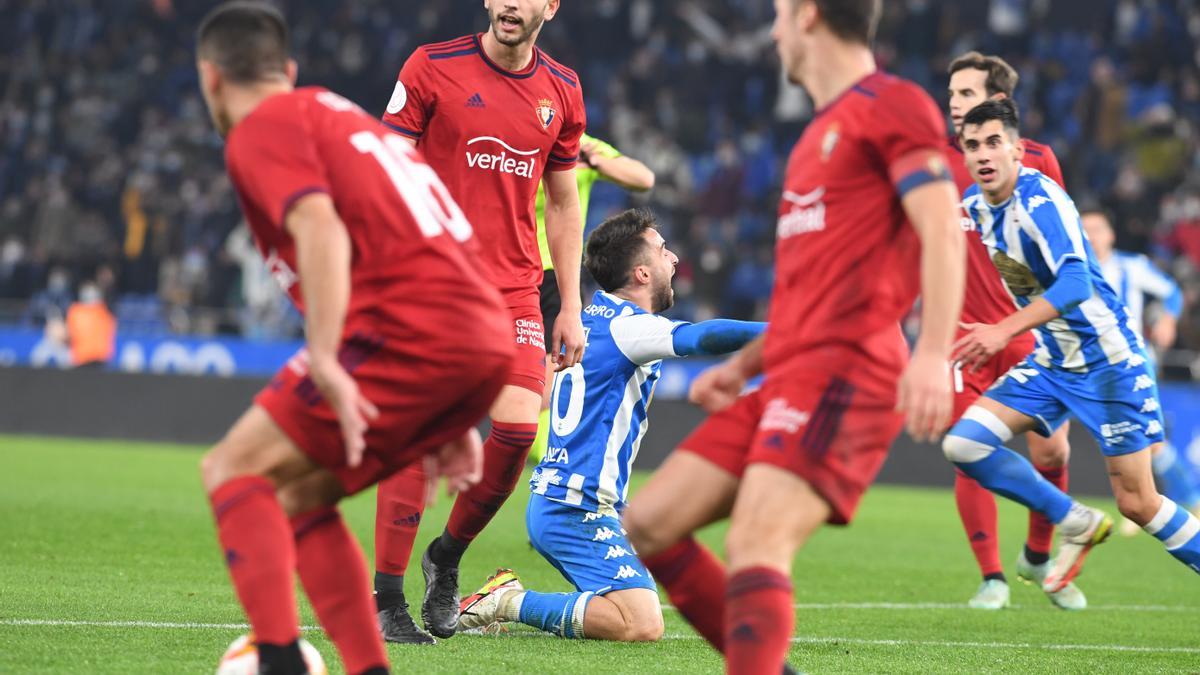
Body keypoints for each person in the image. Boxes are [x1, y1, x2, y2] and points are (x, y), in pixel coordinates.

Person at [623, 1, 967, 672]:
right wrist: (745, 362)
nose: (774, 31)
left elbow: (943, 229)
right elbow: (809, 295)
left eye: (779, 14)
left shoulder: (893, 105)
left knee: (757, 539)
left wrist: (931, 353)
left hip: (852, 370)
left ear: (808, 15)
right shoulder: (815, 138)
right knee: (649, 522)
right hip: (788, 371)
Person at [193, 3, 514, 673]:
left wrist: (330, 355)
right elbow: (429, 228)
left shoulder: (263, 128)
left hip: (413, 330)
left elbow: (320, 228)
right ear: (288, 69)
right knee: (302, 494)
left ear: (210, 78)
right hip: (474, 330)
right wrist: (454, 400)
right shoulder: (340, 119)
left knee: (230, 470)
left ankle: (279, 660)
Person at [373, 0, 589, 644]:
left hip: (515, 291)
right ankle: (386, 600)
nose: (509, 4)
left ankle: (445, 556)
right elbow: (380, 169)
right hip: (432, 286)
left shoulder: (564, 90)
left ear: (549, 7)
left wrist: (571, 305)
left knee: (520, 430)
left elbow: (564, 200)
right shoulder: (431, 67)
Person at [455, 209, 764, 642]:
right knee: (640, 623)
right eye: (661, 251)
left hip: (572, 502)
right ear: (641, 272)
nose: (674, 259)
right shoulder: (630, 328)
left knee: (647, 585)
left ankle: (526, 597)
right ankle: (506, 600)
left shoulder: (588, 322)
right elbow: (701, 337)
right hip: (574, 509)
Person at [946, 98, 1200, 596]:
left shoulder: (1041, 200)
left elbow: (1076, 283)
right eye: (972, 145)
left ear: (1017, 150)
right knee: (964, 443)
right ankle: (1074, 519)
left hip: (1109, 363)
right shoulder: (976, 207)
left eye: (994, 142)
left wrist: (1001, 331)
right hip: (1053, 361)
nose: (983, 154)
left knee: (1139, 503)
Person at [944, 51, 1081, 610]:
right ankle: (993, 576)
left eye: (966, 94)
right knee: (967, 449)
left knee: (1052, 452)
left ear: (999, 104)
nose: (954, 104)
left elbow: (1060, 249)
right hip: (963, 337)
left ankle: (1040, 555)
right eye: (951, 94)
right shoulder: (933, 165)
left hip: (1027, 333)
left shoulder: (1040, 162)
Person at [530, 134, 655, 463]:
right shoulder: (517, 135)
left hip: (554, 276)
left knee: (545, 378)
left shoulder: (578, 143)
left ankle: (533, 442)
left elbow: (644, 178)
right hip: (504, 266)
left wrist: (596, 160)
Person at [1080, 208, 1200, 528]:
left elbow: (1171, 292)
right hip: (1086, 367)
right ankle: (1143, 501)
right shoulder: (1072, 269)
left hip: (1131, 363)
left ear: (1111, 235)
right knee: (1126, 439)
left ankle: (1183, 499)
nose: (1091, 236)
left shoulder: (1131, 267)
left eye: (1097, 229)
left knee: (1149, 440)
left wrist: (1167, 319)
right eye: (1084, 229)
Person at [64, 281, 116, 368]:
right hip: (81, 359)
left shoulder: (104, 311)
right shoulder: (75, 311)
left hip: (100, 359)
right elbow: (68, 334)